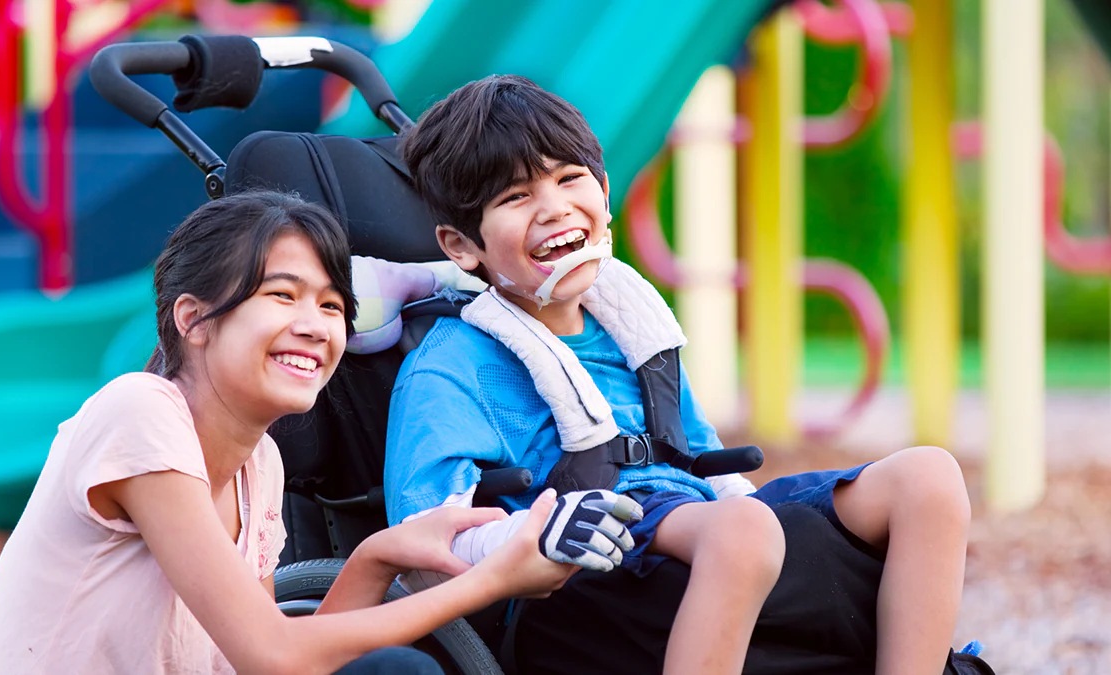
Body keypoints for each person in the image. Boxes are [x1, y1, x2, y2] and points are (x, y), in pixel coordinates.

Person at [385, 75, 974, 675]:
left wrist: (772, 536)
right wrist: (529, 537)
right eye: (516, 197)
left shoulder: (630, 325)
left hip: (697, 529)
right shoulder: (454, 362)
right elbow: (423, 540)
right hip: (584, 570)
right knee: (744, 532)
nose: (554, 208)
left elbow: (702, 460)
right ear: (461, 245)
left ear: (604, 190)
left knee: (929, 478)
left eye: (568, 179)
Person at [0, 191, 579, 675]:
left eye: (332, 305)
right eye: (282, 295)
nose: (315, 326)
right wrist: (493, 581)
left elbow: (270, 665)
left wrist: (376, 557)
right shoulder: (138, 411)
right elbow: (274, 654)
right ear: (194, 320)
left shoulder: (259, 462)